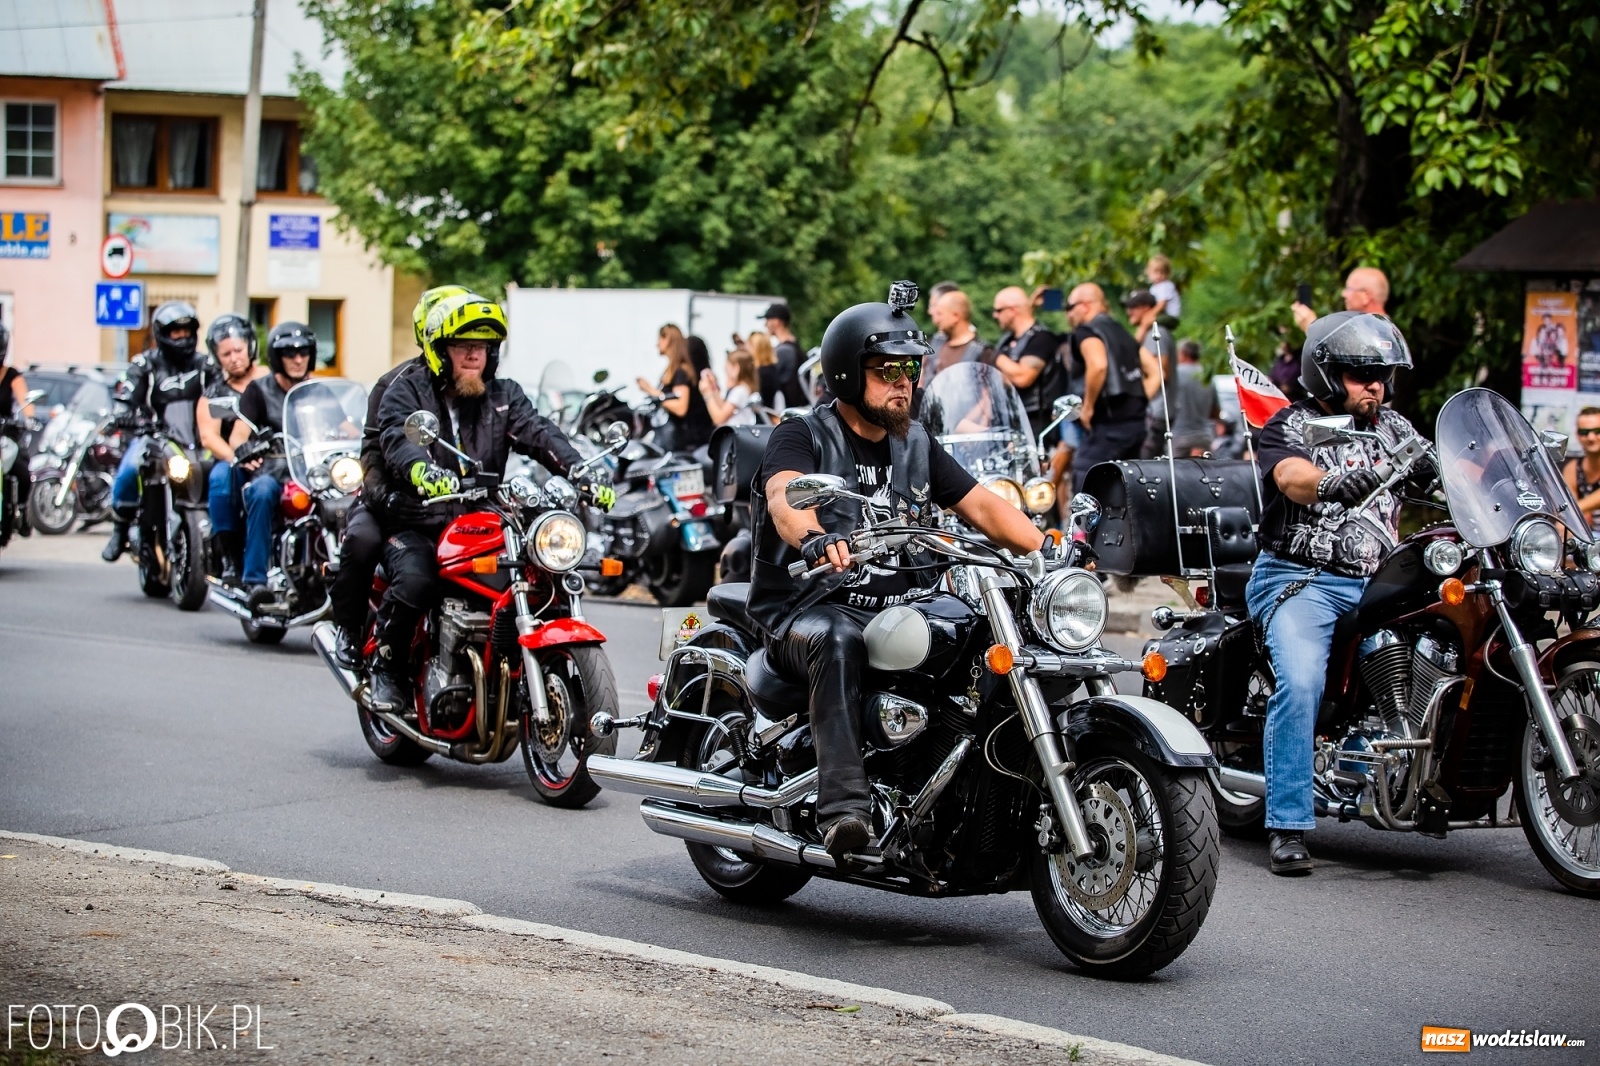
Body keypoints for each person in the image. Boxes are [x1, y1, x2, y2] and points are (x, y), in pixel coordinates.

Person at [749, 285, 1050, 862]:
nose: (903, 382)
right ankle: (843, 809)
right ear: (845, 374)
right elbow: (785, 497)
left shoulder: (914, 442)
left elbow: (983, 506)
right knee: (838, 642)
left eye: (911, 368)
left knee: (971, 626)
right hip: (804, 608)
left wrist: (1049, 547)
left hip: (892, 606)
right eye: (886, 369)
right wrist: (815, 538)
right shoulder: (802, 433)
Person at [1244, 311, 1433, 876]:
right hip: (1302, 581)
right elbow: (1291, 478)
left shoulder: (1396, 430)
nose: (1374, 385)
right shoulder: (1290, 424)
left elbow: (1445, 469)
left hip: (1381, 585)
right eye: (1359, 373)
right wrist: (1330, 482)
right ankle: (1288, 824)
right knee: (1301, 681)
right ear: (1327, 374)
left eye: (1381, 375)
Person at [366, 294, 615, 713]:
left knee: (540, 574)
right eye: (463, 344)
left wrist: (581, 471)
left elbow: (539, 433)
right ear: (439, 348)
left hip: (482, 517)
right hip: (418, 517)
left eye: (481, 346)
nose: (472, 354)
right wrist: (421, 472)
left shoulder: (503, 395)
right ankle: (386, 666)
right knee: (416, 579)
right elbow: (398, 439)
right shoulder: (406, 389)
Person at [328, 284, 471, 668]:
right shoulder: (396, 384)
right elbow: (377, 450)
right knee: (361, 539)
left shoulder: (476, 388)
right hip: (392, 500)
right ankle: (350, 626)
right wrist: (387, 496)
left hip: (451, 506)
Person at [103, 302, 220, 563]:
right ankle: (120, 529)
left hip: (200, 440)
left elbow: (222, 393)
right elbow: (126, 394)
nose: (182, 337)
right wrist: (122, 411)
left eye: (187, 331)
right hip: (155, 438)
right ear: (161, 334)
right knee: (129, 470)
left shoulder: (206, 364)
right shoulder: (144, 363)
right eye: (175, 332)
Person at [234, 322, 317, 599]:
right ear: (276, 357)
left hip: (311, 471)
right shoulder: (259, 390)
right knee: (261, 493)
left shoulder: (317, 391)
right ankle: (255, 580)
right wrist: (244, 449)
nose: (297, 359)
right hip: (273, 469)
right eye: (289, 354)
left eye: (303, 353)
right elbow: (238, 436)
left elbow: (349, 428)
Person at [1064, 283, 1158, 486]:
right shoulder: (1123, 333)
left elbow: (1098, 365)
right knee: (1127, 486)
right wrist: (1139, 398)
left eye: (1070, 307)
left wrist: (1087, 408)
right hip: (1136, 424)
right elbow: (1155, 372)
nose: (1068, 314)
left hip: (1107, 423)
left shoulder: (1087, 332)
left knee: (1086, 478)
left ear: (1085, 305)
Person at [197, 314, 268, 585]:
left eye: (238, 350)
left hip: (276, 457)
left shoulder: (270, 379)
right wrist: (237, 457)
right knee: (219, 479)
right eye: (225, 354)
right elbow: (209, 437)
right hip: (234, 459)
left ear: (251, 347)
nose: (234, 357)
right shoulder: (215, 393)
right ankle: (229, 556)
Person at [990, 285, 1064, 443]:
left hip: (1036, 423)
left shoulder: (1041, 338)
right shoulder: (1007, 341)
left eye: (998, 310)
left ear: (1012, 310)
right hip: (1010, 420)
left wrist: (991, 354)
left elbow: (1023, 377)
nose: (994, 315)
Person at [636, 324, 714, 452]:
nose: (657, 344)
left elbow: (680, 407)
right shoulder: (674, 371)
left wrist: (652, 392)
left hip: (682, 440)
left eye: (660, 339)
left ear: (668, 339)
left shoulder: (681, 372)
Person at [919, 289, 989, 385]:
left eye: (940, 314)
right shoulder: (935, 344)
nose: (936, 320)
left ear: (956, 316)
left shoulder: (981, 351)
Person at [1292, 267, 1389, 331]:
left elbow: (1337, 354)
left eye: (1349, 289)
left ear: (1366, 296)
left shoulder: (1374, 332)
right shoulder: (1388, 331)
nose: (1343, 294)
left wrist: (1311, 327)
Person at [1170, 339, 1220, 456]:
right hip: (1204, 436)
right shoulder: (1207, 376)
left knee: (1177, 473)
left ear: (1183, 354)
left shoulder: (1175, 374)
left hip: (1179, 436)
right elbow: (1215, 412)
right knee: (1205, 472)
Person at [699, 347, 761, 427]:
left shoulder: (740, 391)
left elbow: (719, 418)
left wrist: (707, 394)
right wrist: (713, 388)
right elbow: (723, 407)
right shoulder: (742, 389)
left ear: (736, 368)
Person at [759, 302, 804, 411]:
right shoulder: (794, 345)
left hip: (786, 409)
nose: (765, 324)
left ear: (777, 321)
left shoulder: (783, 351)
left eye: (768, 319)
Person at [1564, 406, 1600, 534]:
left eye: (1597, 431)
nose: (1591, 437)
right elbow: (1566, 512)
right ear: (1577, 435)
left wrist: (1576, 510)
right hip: (1590, 543)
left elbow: (1571, 510)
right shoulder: (1573, 468)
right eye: (1584, 432)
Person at [1145, 254, 1181, 327]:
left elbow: (1162, 305)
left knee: (1146, 322)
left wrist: (1149, 315)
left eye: (1162, 272)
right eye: (1156, 272)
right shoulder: (1154, 288)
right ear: (1149, 272)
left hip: (1170, 317)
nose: (1159, 275)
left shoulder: (1165, 285)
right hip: (1163, 315)